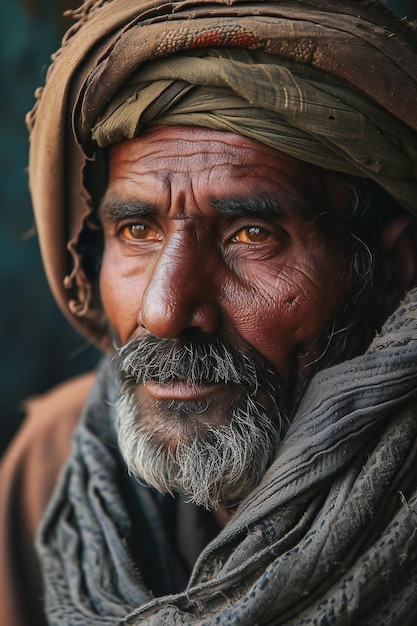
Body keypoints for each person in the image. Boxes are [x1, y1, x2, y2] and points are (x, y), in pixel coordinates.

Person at [2, 0, 417, 624]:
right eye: (137, 229)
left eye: (251, 234)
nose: (166, 310)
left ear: (395, 266)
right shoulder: (50, 465)